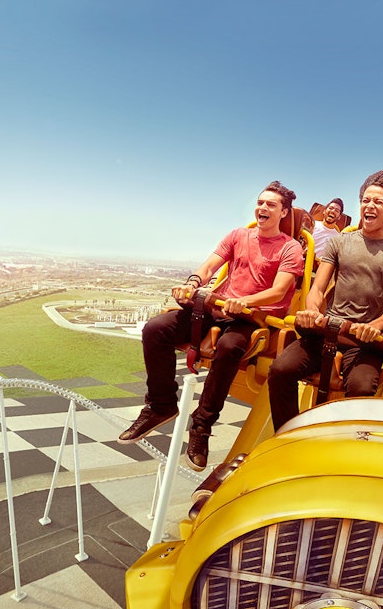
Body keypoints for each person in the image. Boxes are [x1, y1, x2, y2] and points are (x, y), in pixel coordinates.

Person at [118, 181, 304, 472]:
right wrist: (192, 283)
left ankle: (201, 427)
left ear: (284, 212)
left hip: (252, 317)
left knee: (230, 347)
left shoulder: (290, 248)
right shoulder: (238, 235)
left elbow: (279, 291)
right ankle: (160, 404)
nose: (263, 208)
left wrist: (243, 301)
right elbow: (209, 267)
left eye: (271, 204)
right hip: (219, 307)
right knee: (155, 329)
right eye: (260, 202)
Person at [268, 170, 383, 431]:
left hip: (364, 341)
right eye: (365, 201)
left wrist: (375, 327)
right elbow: (318, 287)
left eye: (378, 202)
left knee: (360, 389)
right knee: (280, 371)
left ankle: (344, 446)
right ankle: (286, 434)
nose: (369, 206)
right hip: (329, 330)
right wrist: (312, 311)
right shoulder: (340, 242)